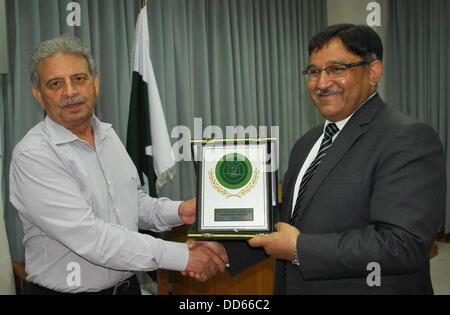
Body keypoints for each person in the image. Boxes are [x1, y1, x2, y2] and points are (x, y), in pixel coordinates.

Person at [187, 24, 446, 294]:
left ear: (373, 72)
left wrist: (299, 249)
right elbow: (289, 223)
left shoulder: (406, 138)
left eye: (336, 69)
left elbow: (404, 244)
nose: (322, 83)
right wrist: (227, 252)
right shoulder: (307, 143)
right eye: (313, 72)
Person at [9, 35, 225, 295]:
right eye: (55, 83)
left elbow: (131, 204)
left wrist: (178, 211)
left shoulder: (107, 135)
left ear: (95, 83)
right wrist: (185, 256)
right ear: (38, 95)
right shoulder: (33, 156)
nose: (70, 92)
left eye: (79, 79)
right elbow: (93, 238)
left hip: (127, 288)